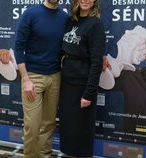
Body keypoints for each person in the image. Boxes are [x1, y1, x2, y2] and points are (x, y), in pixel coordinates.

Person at [0, 1, 68, 158]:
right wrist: (26, 79)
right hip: (33, 77)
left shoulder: (64, 17)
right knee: (32, 125)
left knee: (49, 123)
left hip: (55, 77)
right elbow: (19, 47)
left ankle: (45, 155)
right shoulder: (30, 14)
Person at [58, 0, 105, 157]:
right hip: (66, 82)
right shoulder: (71, 21)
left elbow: (97, 61)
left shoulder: (95, 24)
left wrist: (89, 93)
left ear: (94, 2)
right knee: (68, 126)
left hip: (82, 85)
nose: (85, 0)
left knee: (82, 130)